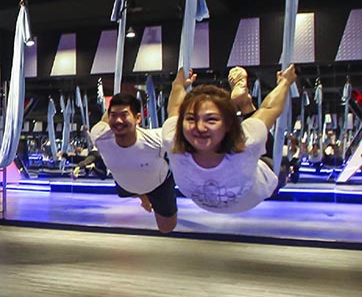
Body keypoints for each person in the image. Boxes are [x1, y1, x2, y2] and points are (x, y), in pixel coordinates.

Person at [164, 65, 295, 214]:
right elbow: (175, 108)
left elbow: (270, 109)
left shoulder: (247, 141)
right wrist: (178, 83)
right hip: (243, 175)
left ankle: (245, 103)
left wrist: (285, 82)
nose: (199, 127)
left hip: (259, 182)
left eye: (211, 120)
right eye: (191, 119)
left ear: (228, 125)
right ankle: (244, 103)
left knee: (278, 163)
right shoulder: (172, 138)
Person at [88, 92, 177, 233]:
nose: (118, 121)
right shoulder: (99, 136)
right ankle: (142, 195)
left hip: (158, 184)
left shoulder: (156, 139)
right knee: (126, 189)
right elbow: (106, 117)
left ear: (138, 118)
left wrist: (178, 84)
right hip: (126, 185)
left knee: (167, 228)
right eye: (114, 116)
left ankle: (145, 194)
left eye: (124, 115)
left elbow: (175, 114)